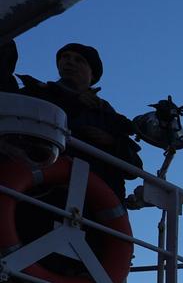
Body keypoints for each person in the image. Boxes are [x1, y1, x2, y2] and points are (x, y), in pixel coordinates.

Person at [17, 42, 142, 182]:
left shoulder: (108, 115)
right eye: (65, 57)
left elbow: (133, 169)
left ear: (92, 74)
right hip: (40, 187)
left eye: (79, 60)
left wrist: (112, 142)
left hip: (97, 197)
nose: (70, 62)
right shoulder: (37, 93)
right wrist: (74, 103)